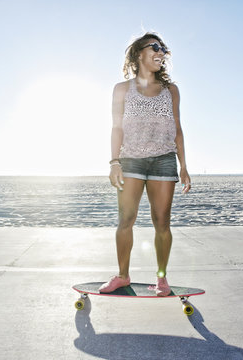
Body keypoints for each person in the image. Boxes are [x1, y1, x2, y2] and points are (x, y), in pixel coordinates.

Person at [99, 32, 191, 296]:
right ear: (139, 53)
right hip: (130, 160)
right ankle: (122, 276)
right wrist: (114, 161)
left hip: (163, 160)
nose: (161, 53)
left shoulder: (171, 90)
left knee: (162, 222)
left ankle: (161, 280)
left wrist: (183, 166)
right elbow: (116, 127)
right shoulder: (121, 89)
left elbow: (177, 128)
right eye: (155, 47)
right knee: (126, 219)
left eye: (164, 49)